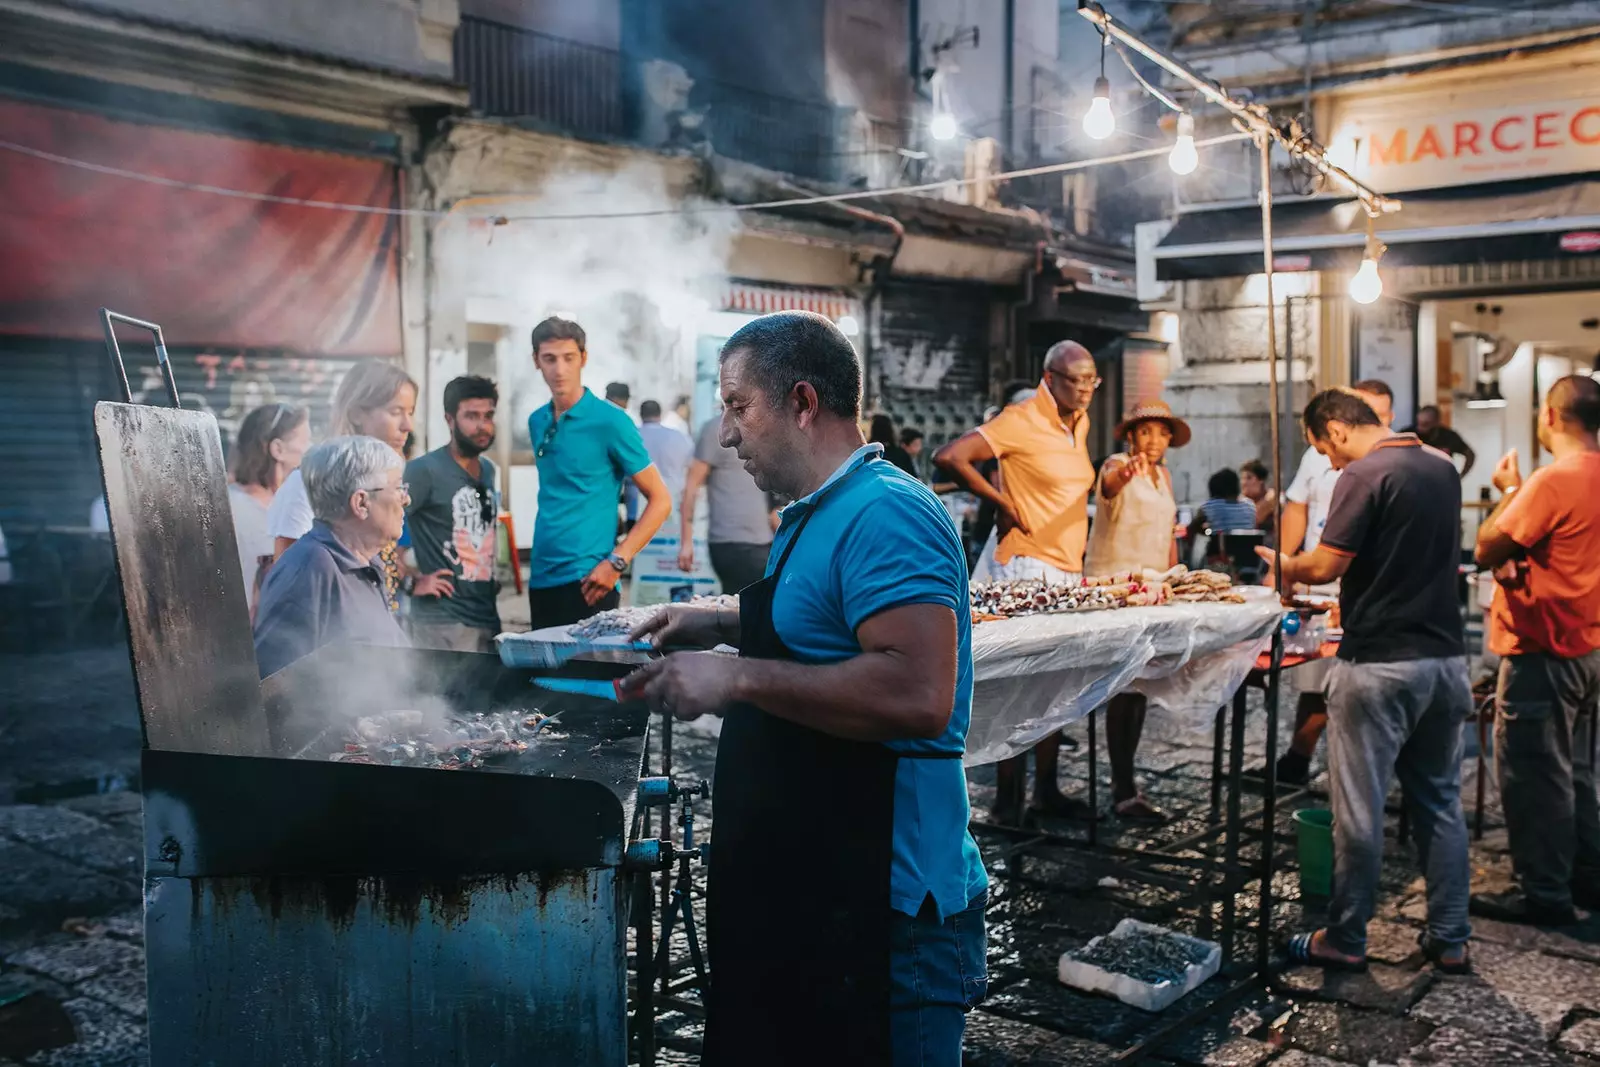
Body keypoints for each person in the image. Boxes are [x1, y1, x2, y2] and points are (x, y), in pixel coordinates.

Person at [627, 311, 986, 1067]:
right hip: (817, 890)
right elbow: (817, 617)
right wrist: (713, 619)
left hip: (886, 912)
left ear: (801, 402)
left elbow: (919, 690)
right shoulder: (818, 511)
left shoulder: (888, 511)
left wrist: (737, 676)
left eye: (736, 406)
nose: (725, 434)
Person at [1260, 389, 1471, 974]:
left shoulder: (1364, 472)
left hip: (1378, 663)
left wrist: (1284, 564)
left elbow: (1326, 565)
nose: (1327, 462)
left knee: (1359, 808)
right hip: (1446, 661)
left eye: (1321, 447)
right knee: (1440, 802)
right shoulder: (1441, 467)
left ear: (1335, 428)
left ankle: (1346, 936)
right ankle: (1451, 936)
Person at [934, 344, 1100, 825]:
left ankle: (1045, 790)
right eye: (1077, 380)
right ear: (1050, 377)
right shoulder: (1021, 418)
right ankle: (1009, 801)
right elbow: (952, 457)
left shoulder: (1078, 422)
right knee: (1022, 687)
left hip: (1066, 567)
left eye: (1092, 381)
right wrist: (1002, 503)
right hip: (1027, 567)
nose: (1086, 390)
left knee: (1056, 687)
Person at [1470, 375, 1600, 925]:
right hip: (1591, 646)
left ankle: (1544, 894)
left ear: (1549, 416)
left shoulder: (1554, 480)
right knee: (1577, 772)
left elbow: (1486, 546)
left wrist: (1508, 492)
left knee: (1533, 775)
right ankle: (1587, 881)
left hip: (1544, 649)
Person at [1264, 379, 1395, 785]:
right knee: (1314, 679)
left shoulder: (1389, 464)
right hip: (1316, 582)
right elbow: (1297, 511)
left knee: (1358, 684)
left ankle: (1357, 770)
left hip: (1356, 585)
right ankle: (1300, 758)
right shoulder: (1319, 457)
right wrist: (1281, 571)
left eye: (1383, 414)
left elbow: (1333, 562)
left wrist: (1296, 567)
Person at [526, 317, 671, 630]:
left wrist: (617, 562)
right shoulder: (537, 420)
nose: (559, 369)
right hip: (541, 575)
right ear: (536, 361)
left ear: (583, 358)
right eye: (549, 359)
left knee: (587, 677)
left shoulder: (611, 421)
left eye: (568, 358)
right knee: (541, 677)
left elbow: (660, 499)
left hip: (591, 580)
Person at [1084, 399, 1190, 821]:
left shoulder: (1164, 476)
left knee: (1140, 688)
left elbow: (1166, 536)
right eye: (1145, 432)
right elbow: (1110, 485)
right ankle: (1123, 787)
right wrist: (1127, 471)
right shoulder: (1114, 466)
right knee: (1122, 689)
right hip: (1116, 591)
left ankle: (1125, 784)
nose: (1153, 440)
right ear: (1131, 436)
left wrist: (1175, 577)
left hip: (1153, 591)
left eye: (1161, 433)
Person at [253, 436, 411, 678]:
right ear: (361, 503)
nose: (406, 499)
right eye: (398, 488)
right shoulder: (310, 568)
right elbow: (272, 683)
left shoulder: (368, 563)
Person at [404, 376, 501, 653]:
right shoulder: (424, 471)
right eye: (471, 416)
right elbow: (379, 532)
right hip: (441, 623)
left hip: (486, 614)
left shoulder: (489, 470)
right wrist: (409, 581)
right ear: (449, 419)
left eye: (488, 415)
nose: (482, 425)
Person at [678, 412, 777, 594]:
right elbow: (691, 488)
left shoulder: (767, 424)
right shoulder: (716, 429)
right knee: (742, 611)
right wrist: (686, 542)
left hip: (765, 541)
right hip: (731, 542)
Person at [229, 403, 310, 613]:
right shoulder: (231, 507)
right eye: (306, 441)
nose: (311, 449)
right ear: (278, 449)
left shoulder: (301, 505)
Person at [638, 399, 695, 513]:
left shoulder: (632, 435)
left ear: (641, 415)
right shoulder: (678, 436)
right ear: (660, 414)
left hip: (640, 503)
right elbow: (692, 465)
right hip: (672, 499)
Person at [1405, 405, 1476, 478]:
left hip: (1443, 481)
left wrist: (1460, 476)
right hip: (1415, 482)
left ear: (1436, 423)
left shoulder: (1449, 436)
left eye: (1425, 424)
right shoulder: (1409, 435)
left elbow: (1470, 454)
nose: (1420, 428)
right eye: (1419, 423)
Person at [1239, 459, 1276, 536]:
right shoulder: (1240, 501)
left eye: (1249, 478)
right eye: (1242, 478)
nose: (1243, 483)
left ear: (1261, 480)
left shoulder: (1273, 497)